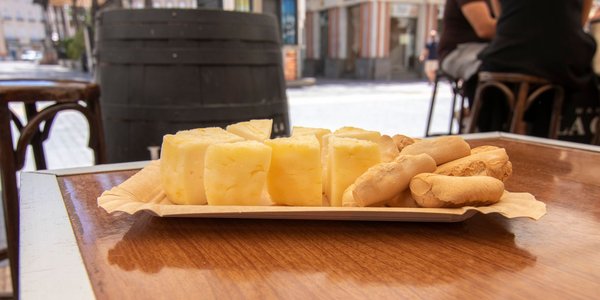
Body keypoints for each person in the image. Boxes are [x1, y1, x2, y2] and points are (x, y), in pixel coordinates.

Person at [477, 0, 600, 143]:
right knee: (564, 70)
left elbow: (500, 14)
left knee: (491, 75)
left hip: (510, 51)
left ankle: (497, 133)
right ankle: (543, 137)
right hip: (561, 55)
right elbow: (580, 19)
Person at [438, 0, 497, 107]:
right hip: (459, 51)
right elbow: (485, 28)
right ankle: (481, 119)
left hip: (490, 49)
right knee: (493, 67)